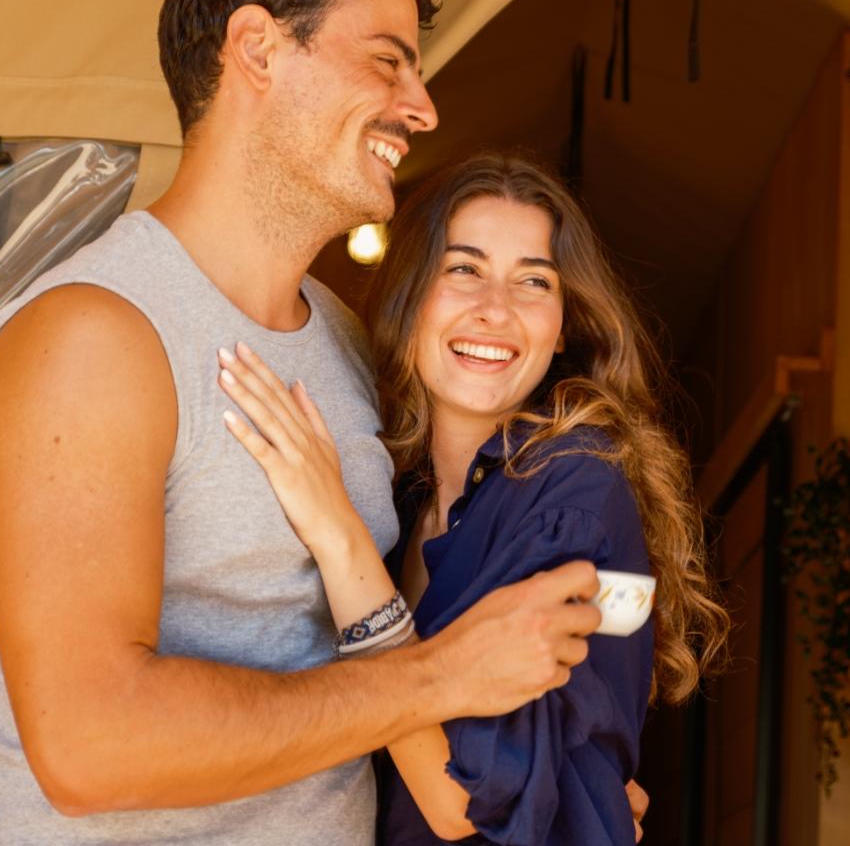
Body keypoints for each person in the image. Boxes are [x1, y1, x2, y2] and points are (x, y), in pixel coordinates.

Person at [0, 0, 605, 845]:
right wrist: (442, 675)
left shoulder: (350, 343)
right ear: (257, 50)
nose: (422, 108)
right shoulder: (92, 336)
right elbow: (88, 746)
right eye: (388, 60)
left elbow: (383, 649)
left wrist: (558, 782)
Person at [215, 154, 730, 844]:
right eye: (464, 269)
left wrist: (339, 541)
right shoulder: (401, 494)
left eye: (534, 281)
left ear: (563, 324)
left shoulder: (571, 487)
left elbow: (463, 801)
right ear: (410, 295)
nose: (496, 309)